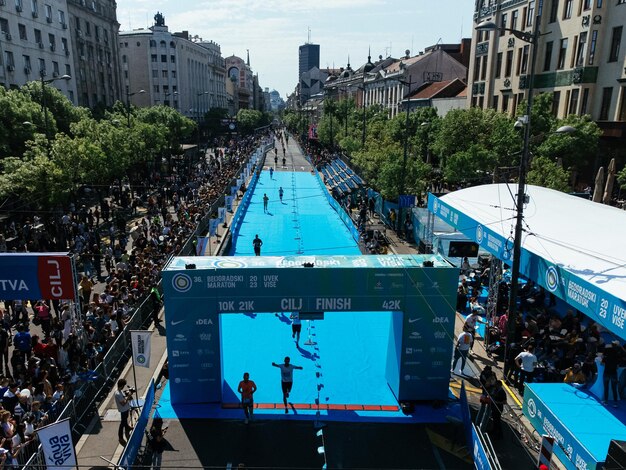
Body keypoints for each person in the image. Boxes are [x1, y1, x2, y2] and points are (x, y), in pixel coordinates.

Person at [602, 341, 623, 406]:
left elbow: (602, 364)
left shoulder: (606, 354)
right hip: (613, 373)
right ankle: (615, 403)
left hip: (606, 372)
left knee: (606, 388)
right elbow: (617, 366)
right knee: (614, 389)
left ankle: (605, 401)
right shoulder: (618, 356)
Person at [114, 379, 133, 445]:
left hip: (125, 409)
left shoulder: (119, 391)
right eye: (123, 385)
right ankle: (120, 437)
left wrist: (126, 394)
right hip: (123, 410)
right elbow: (123, 403)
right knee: (122, 424)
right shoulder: (118, 394)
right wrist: (129, 396)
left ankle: (127, 427)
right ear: (121, 385)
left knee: (125, 420)